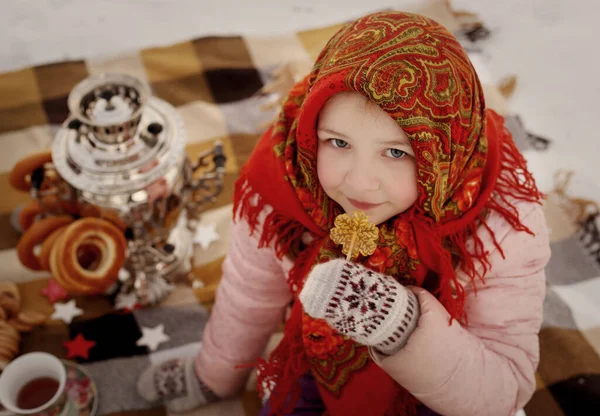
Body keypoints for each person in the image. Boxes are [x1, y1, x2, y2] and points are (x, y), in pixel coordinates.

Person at [137, 11, 550, 416]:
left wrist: (403, 326)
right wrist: (215, 376)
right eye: (338, 143)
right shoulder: (286, 175)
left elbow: (503, 389)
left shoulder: (500, 223)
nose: (359, 183)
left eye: (396, 152)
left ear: (442, 153)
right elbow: (249, 294)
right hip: (320, 364)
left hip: (444, 385)